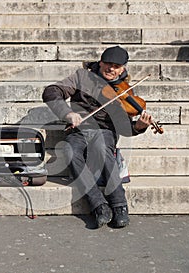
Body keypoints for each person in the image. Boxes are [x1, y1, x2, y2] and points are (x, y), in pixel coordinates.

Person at [42, 46, 152, 228]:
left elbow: (125, 128)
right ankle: (98, 204)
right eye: (108, 64)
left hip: (105, 131)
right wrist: (68, 114)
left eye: (117, 66)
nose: (111, 69)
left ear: (123, 69)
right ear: (100, 62)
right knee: (69, 151)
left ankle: (119, 204)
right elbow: (52, 92)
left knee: (101, 147)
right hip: (79, 130)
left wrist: (139, 127)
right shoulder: (82, 77)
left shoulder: (124, 92)